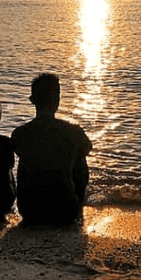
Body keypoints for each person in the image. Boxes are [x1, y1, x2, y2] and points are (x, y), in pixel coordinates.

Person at [11, 73, 92, 225]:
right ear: (58, 100)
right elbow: (87, 149)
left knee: (26, 157)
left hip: (30, 211)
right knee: (78, 155)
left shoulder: (19, 134)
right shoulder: (73, 131)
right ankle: (72, 197)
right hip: (66, 211)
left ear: (32, 100)